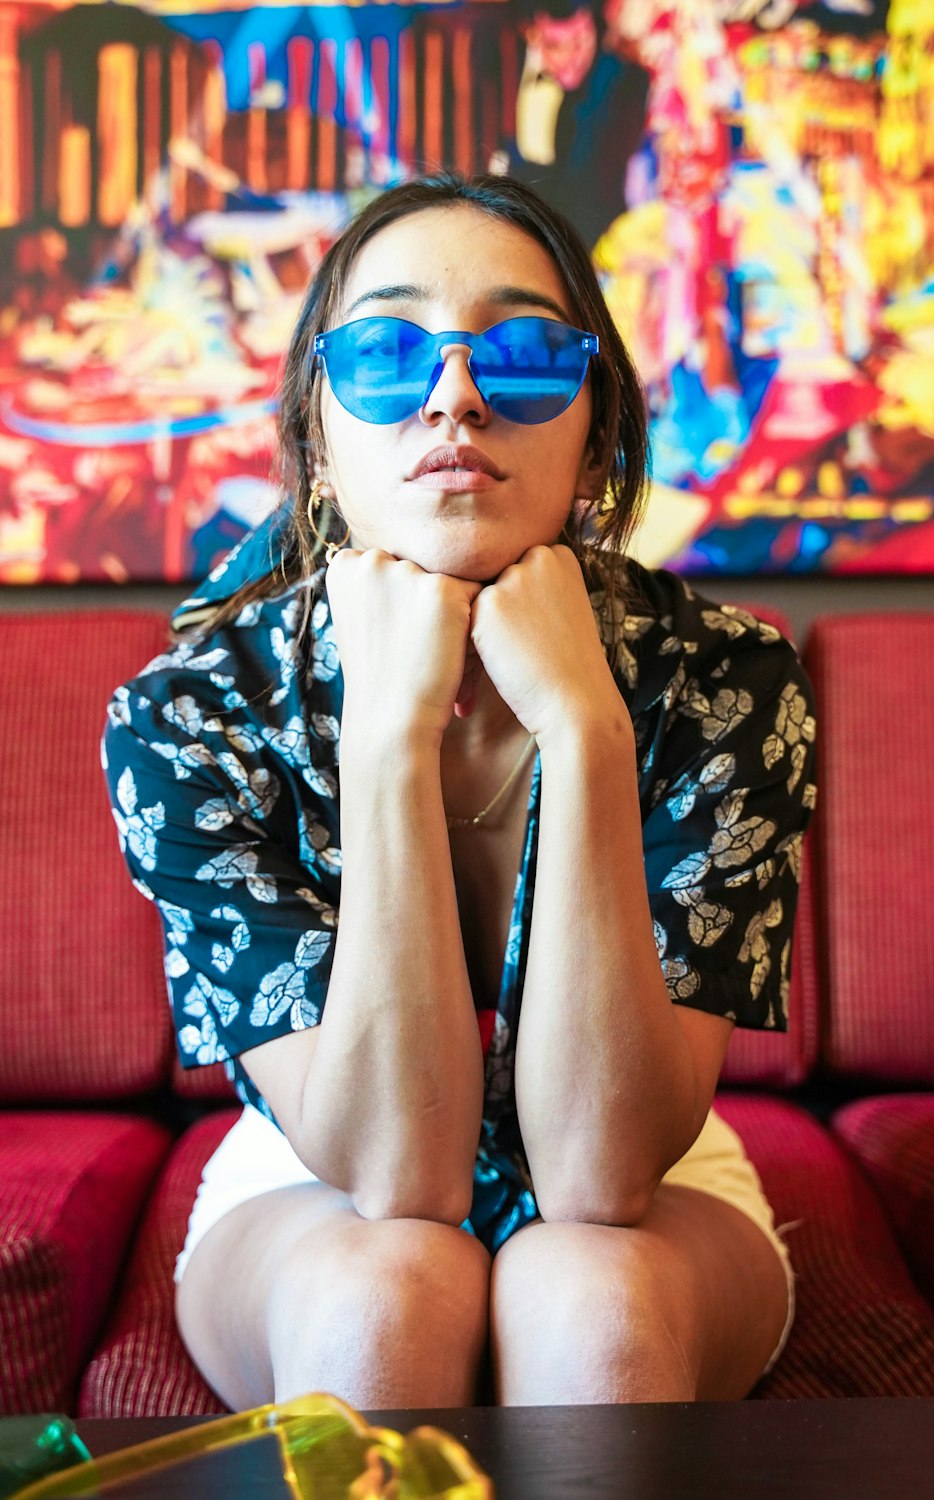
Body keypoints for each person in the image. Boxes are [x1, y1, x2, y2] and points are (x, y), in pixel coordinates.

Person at [103, 170, 816, 1411]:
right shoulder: (192, 714)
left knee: (593, 1300)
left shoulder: (728, 682)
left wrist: (585, 727)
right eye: (384, 352)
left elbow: (598, 1175)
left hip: (652, 1178)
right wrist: (386, 735)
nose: (456, 395)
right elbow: (397, 1178)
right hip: (313, 1172)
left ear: (594, 434)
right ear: (319, 438)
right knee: (384, 1298)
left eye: (528, 353)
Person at [495, 0, 649, 249]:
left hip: (594, 246)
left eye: (581, 40)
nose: (574, 56)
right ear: (533, 37)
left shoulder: (626, 82)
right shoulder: (510, 71)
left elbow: (599, 193)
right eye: (556, 45)